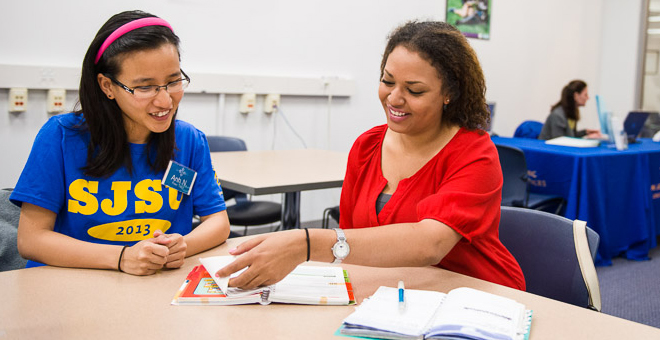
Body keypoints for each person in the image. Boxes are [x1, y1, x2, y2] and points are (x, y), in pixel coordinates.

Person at [216, 21, 525, 291]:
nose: (394, 98)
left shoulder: (474, 152)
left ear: (450, 94)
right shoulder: (367, 146)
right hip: (395, 297)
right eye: (387, 81)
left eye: (414, 90)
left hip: (476, 298)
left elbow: (429, 244)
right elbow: (350, 241)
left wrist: (305, 244)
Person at [9, 10, 231, 275]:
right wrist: (122, 257)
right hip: (72, 284)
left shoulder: (189, 140)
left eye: (173, 81)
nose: (165, 101)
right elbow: (31, 240)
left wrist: (184, 244)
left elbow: (218, 221)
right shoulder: (60, 137)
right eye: (145, 87)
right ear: (107, 86)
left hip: (154, 287)